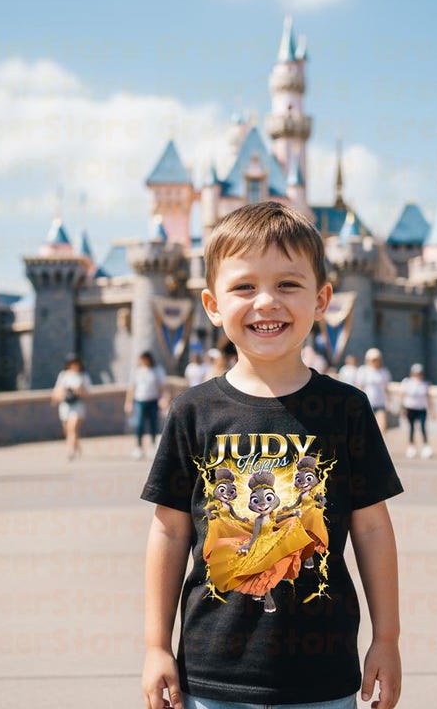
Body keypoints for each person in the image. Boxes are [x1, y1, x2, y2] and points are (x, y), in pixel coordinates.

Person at [141, 201, 403, 709]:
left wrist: (387, 639)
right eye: (244, 286)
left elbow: (372, 528)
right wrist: (155, 646)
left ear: (322, 298)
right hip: (211, 675)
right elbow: (170, 531)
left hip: (323, 678)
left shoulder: (346, 409)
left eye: (288, 284)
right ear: (212, 305)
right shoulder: (193, 412)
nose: (266, 302)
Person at [125, 351, 169, 460]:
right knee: (139, 424)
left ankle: (153, 445)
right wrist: (128, 402)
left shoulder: (157, 370)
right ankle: (139, 447)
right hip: (140, 400)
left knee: (153, 423)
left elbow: (163, 386)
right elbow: (131, 388)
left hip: (153, 400)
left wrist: (164, 398)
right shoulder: (137, 371)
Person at [52, 353, 91, 461]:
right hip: (65, 405)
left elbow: (87, 392)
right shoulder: (64, 375)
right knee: (67, 430)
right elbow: (57, 389)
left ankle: (70, 451)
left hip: (77, 405)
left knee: (72, 428)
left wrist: (78, 391)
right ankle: (77, 446)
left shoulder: (83, 376)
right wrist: (56, 397)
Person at [355, 347, 393, 437]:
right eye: (373, 360)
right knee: (366, 428)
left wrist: (389, 402)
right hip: (367, 403)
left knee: (382, 428)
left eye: (377, 359)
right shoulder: (363, 371)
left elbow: (386, 388)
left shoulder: (384, 372)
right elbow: (359, 387)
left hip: (380, 403)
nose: (375, 361)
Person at [399, 363, 435, 459]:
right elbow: (403, 395)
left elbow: (428, 397)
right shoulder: (407, 382)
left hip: (421, 409)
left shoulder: (425, 383)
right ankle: (411, 446)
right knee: (412, 428)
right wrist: (402, 408)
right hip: (410, 408)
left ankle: (426, 446)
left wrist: (432, 410)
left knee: (423, 427)